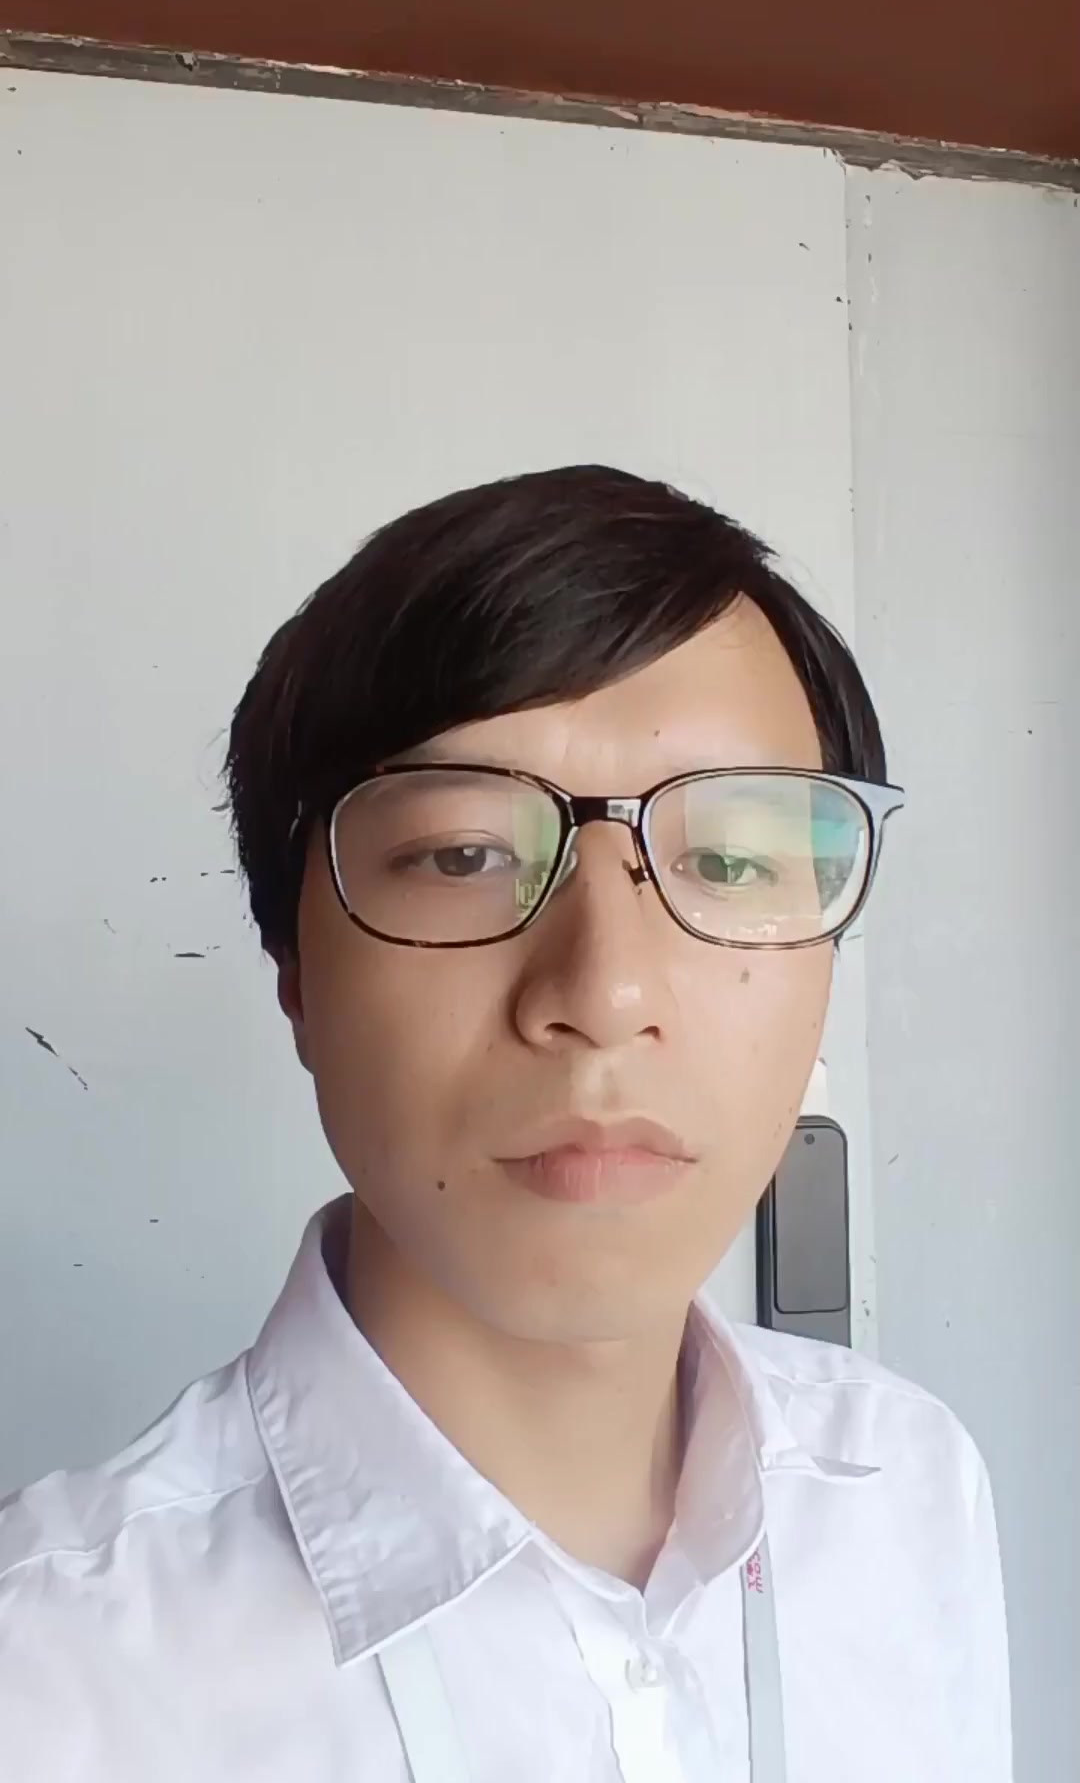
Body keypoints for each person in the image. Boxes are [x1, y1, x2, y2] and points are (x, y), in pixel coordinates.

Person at [0, 467, 1011, 1781]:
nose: (605, 993)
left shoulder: (904, 1491)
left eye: (729, 859)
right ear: (295, 970)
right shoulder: (56, 1675)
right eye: (465, 854)